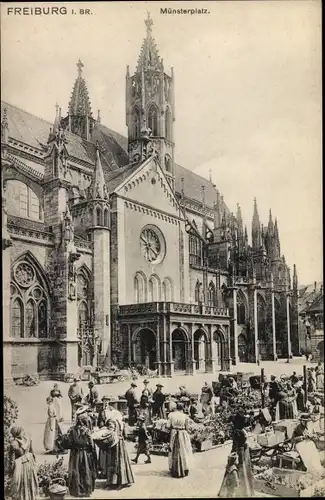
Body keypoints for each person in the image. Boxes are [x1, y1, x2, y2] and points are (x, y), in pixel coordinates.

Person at [58, 410, 97, 497]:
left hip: (75, 454)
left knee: (76, 470)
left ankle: (76, 491)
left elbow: (68, 442)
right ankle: (86, 490)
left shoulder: (72, 430)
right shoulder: (87, 431)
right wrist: (92, 453)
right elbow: (91, 444)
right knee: (85, 471)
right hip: (85, 454)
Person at [101, 405, 134, 489]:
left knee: (113, 461)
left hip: (114, 443)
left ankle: (113, 482)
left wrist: (102, 432)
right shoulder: (120, 421)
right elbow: (124, 434)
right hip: (120, 442)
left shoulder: (111, 421)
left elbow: (110, 432)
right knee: (121, 461)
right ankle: (123, 480)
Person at [9, 426, 39, 500]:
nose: (23, 433)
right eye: (22, 432)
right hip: (21, 465)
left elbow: (31, 450)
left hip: (29, 463)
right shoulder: (14, 443)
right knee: (20, 482)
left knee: (30, 481)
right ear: (17, 434)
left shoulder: (25, 439)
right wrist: (28, 442)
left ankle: (30, 497)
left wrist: (34, 460)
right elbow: (20, 453)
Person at [166, 401, 193, 478]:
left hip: (174, 433)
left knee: (173, 450)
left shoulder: (171, 415)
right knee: (184, 450)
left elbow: (168, 426)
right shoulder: (185, 416)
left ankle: (174, 468)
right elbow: (187, 428)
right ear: (183, 408)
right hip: (182, 433)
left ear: (176, 407)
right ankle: (184, 468)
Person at [231, 412, 254, 497]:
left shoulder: (238, 431)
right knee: (243, 470)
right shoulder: (240, 431)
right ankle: (245, 490)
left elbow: (235, 445)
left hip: (242, 451)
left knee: (242, 470)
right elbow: (238, 443)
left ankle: (243, 490)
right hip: (243, 452)